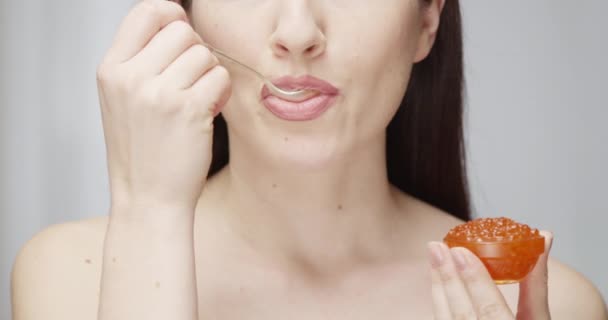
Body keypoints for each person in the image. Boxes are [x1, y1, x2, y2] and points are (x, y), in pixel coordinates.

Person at [10, 0, 608, 319]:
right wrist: (148, 207)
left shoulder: (542, 305)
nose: (297, 32)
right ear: (184, 15)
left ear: (427, 19)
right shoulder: (72, 277)